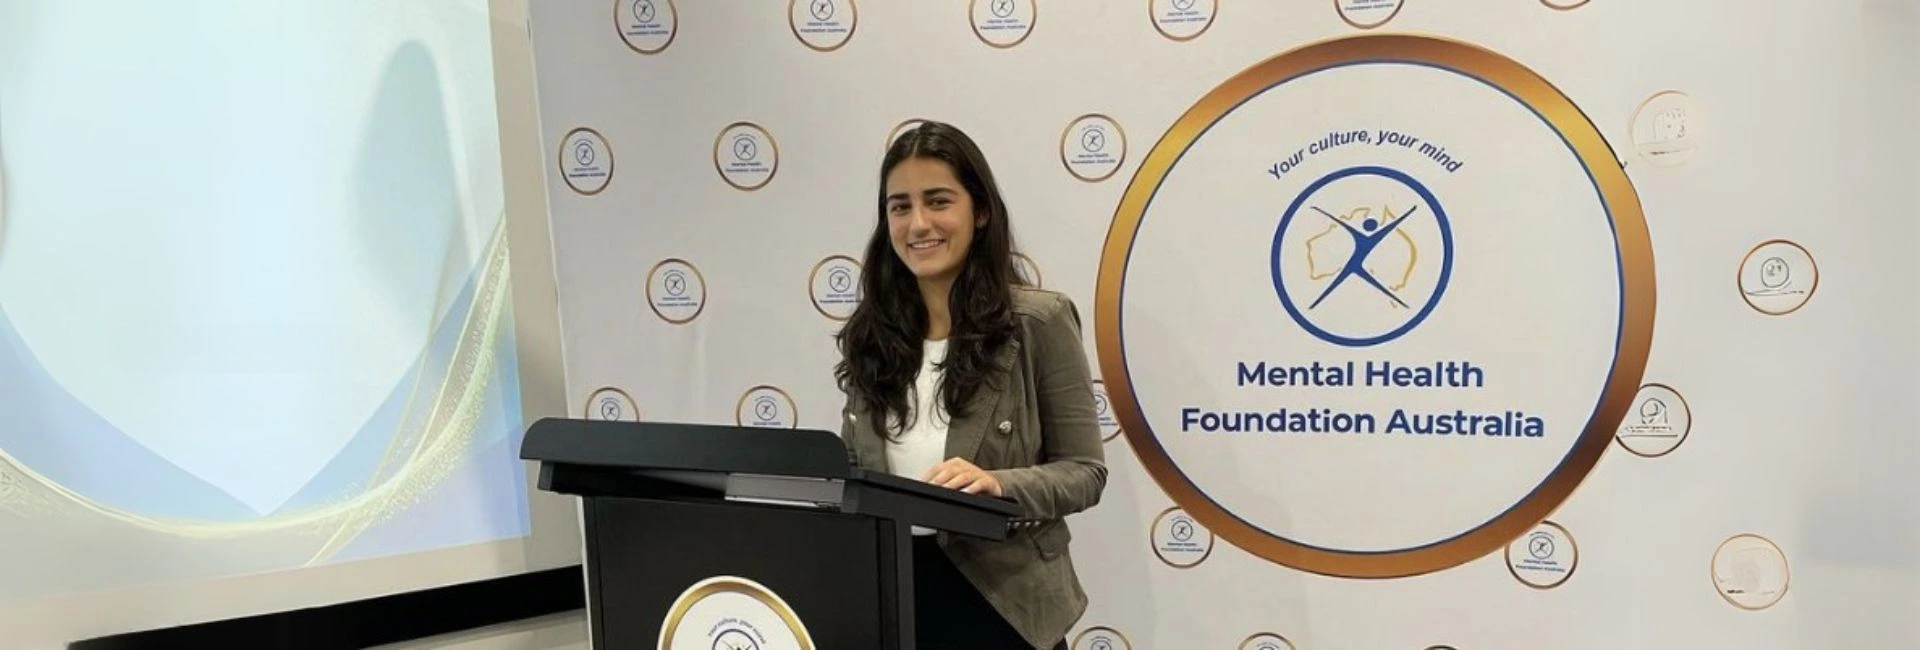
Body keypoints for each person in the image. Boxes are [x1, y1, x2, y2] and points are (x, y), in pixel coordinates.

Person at [834, 120, 1107, 649]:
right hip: (889, 597)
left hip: (1006, 603)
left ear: (980, 212)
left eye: (938, 201)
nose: (918, 224)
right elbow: (854, 473)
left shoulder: (1038, 321)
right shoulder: (871, 335)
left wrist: (998, 486)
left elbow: (1085, 472)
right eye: (900, 206)